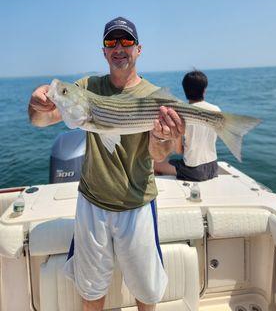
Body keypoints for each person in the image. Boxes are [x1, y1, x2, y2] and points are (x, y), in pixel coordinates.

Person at [28, 17, 185, 311]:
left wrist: (165, 136)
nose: (118, 47)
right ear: (103, 51)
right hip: (92, 203)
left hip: (136, 203)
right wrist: (37, 103)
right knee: (90, 290)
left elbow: (159, 155)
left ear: (138, 49)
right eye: (111, 42)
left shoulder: (153, 96)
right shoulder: (88, 87)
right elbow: (40, 120)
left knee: (147, 294)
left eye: (126, 41)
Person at [155, 70, 220, 181]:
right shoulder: (216, 110)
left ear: (185, 91)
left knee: (154, 164)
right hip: (213, 167)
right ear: (204, 90)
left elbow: (179, 151)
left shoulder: (182, 115)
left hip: (193, 171)